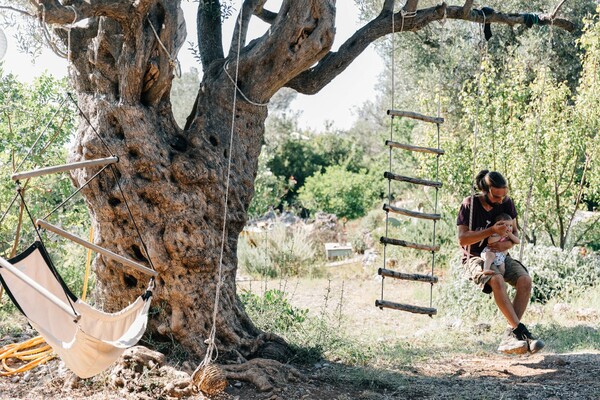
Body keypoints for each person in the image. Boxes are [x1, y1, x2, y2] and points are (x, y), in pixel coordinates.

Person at [457, 170, 544, 354]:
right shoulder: (469, 204)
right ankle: (522, 333)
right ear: (485, 191)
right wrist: (490, 231)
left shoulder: (507, 203)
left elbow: (515, 236)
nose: (500, 200)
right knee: (495, 280)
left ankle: (510, 336)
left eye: (503, 196)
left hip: (502, 256)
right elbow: (463, 240)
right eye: (496, 196)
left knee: (525, 280)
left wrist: (505, 245)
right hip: (475, 257)